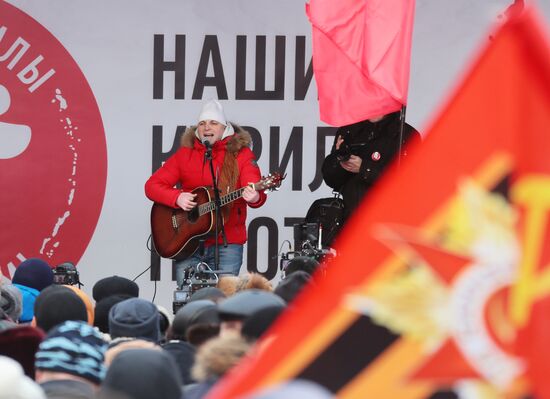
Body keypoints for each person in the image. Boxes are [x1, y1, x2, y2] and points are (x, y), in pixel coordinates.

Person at [145, 99, 266, 287]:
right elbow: (152, 185)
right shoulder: (186, 154)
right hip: (188, 241)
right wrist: (177, 197)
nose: (206, 127)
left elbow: (252, 184)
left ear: (224, 128)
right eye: (202, 123)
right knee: (187, 299)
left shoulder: (240, 155)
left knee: (224, 301)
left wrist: (256, 196)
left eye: (213, 123)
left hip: (227, 243)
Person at [322, 110, 420, 221]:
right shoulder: (348, 131)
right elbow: (331, 180)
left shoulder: (406, 134)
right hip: (351, 221)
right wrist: (338, 158)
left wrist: (364, 168)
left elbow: (409, 184)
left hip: (389, 220)